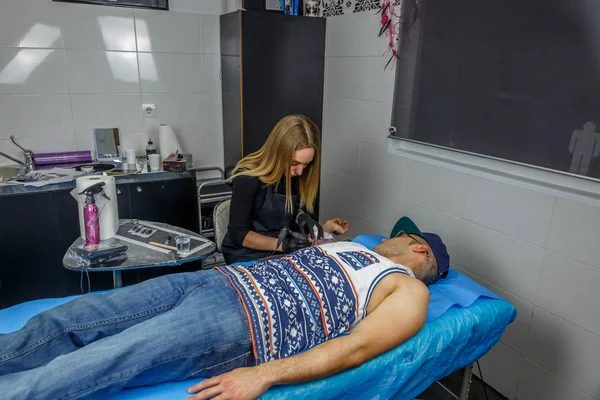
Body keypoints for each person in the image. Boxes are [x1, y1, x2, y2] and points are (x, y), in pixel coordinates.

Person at [0, 217, 449, 400]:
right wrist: (328, 236)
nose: (385, 235)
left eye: (400, 235)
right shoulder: (358, 247)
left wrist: (265, 373)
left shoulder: (409, 292)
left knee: (104, 357)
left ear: (417, 249)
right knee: (74, 316)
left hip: (241, 323)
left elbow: (355, 349)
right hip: (215, 279)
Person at [221, 114, 349, 265]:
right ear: (278, 153)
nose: (300, 172)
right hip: (246, 256)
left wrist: (311, 223)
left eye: (306, 164)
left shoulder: (294, 176)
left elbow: (284, 217)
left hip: (280, 253)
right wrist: (284, 245)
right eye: (294, 163)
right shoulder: (248, 179)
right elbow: (239, 235)